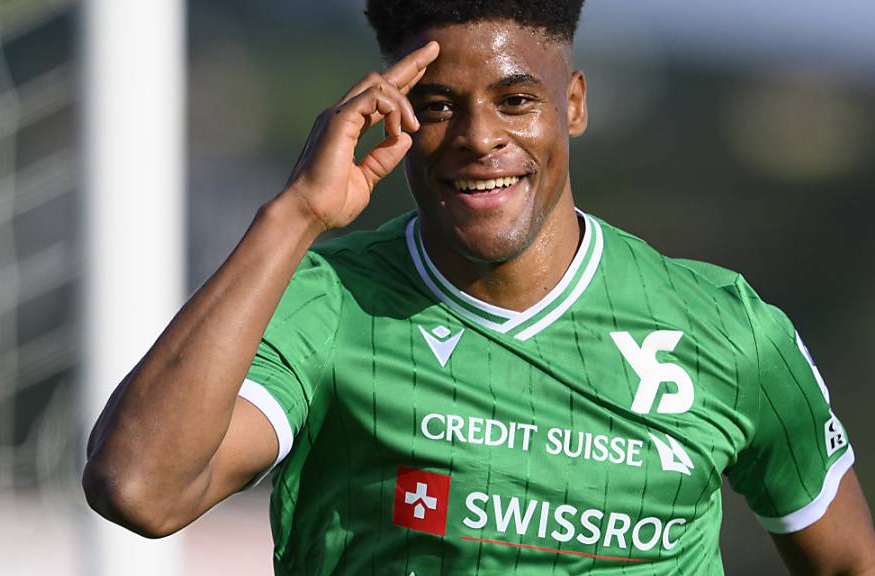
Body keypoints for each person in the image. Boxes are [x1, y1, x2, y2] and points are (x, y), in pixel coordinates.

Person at [82, 1, 875, 573]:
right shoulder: (327, 303)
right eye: (437, 107)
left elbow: (848, 561)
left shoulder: (729, 330)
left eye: (516, 100)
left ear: (573, 104)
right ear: (393, 119)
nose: (479, 138)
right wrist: (296, 213)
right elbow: (140, 490)